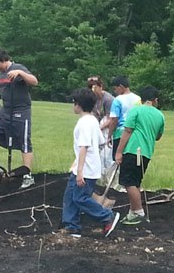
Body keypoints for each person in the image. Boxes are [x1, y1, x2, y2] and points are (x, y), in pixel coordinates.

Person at [60, 88, 120, 238]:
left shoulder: (85, 123)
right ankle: (72, 226)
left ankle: (106, 216)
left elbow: (84, 147)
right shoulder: (93, 120)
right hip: (86, 167)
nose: (73, 106)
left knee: (80, 198)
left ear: (78, 105)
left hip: (86, 170)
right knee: (70, 196)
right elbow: (100, 142)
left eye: (73, 103)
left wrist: (80, 171)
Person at [0, 48, 38, 189]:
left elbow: (34, 81)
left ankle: (27, 175)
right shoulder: (1, 73)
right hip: (5, 112)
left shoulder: (18, 68)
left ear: (2, 60)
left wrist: (20, 73)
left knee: (24, 142)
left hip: (20, 111)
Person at [115, 85, 165, 225]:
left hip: (133, 150)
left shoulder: (135, 111)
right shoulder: (160, 115)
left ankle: (138, 212)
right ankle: (132, 212)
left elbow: (127, 131)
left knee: (128, 182)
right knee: (135, 181)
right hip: (146, 152)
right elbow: (158, 136)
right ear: (155, 100)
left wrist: (119, 151)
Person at [105, 76, 141, 160]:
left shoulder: (117, 100)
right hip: (134, 133)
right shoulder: (138, 99)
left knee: (117, 158)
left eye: (115, 89)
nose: (115, 91)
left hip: (120, 133)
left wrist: (109, 135)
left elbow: (114, 120)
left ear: (121, 86)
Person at [87, 75, 115, 175]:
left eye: (95, 87)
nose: (93, 90)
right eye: (91, 88)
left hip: (109, 128)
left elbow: (111, 119)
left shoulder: (108, 99)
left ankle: (107, 175)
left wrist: (99, 128)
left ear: (101, 86)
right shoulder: (93, 99)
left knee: (107, 156)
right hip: (99, 126)